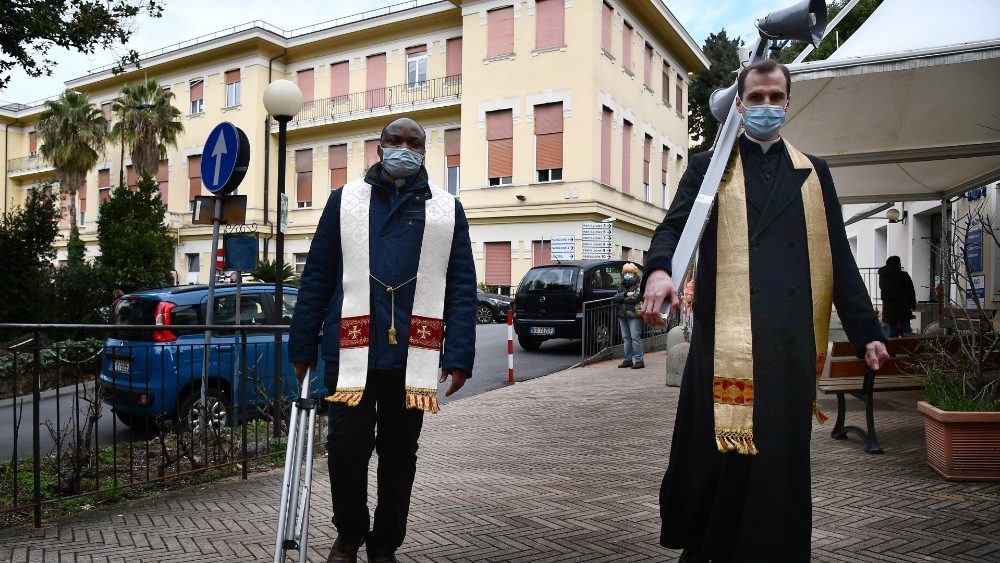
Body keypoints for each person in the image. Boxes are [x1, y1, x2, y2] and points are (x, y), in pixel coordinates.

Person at [640, 59, 890, 562]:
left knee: (779, 465)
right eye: (757, 98)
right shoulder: (710, 169)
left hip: (789, 348)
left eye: (776, 98)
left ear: (788, 103)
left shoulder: (814, 174)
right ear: (740, 103)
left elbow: (839, 258)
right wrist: (660, 271)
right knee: (721, 460)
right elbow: (673, 229)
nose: (767, 107)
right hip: (724, 346)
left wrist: (867, 332)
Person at [288, 117, 476, 563]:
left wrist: (460, 353)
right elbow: (317, 276)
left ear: (425, 152)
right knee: (345, 450)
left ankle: (385, 542)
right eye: (396, 141)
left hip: (413, 354)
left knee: (399, 455)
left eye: (414, 143)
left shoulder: (445, 209)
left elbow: (462, 286)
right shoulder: (345, 202)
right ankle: (349, 534)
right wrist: (301, 346)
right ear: (380, 147)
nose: (404, 149)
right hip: (348, 349)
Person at [614, 262, 645, 369]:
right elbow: (616, 298)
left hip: (634, 314)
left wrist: (623, 299)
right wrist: (626, 295)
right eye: (625, 272)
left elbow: (637, 297)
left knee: (635, 337)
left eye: (629, 272)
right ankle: (627, 360)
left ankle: (639, 360)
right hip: (622, 314)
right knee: (626, 338)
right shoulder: (622, 285)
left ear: (634, 273)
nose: (627, 274)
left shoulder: (639, 283)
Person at [878, 256, 917, 337]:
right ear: (898, 264)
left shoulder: (883, 276)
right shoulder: (903, 275)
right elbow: (910, 291)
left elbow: (883, 289)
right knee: (906, 330)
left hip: (889, 307)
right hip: (903, 307)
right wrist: (913, 305)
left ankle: (892, 348)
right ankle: (906, 348)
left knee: (892, 330)